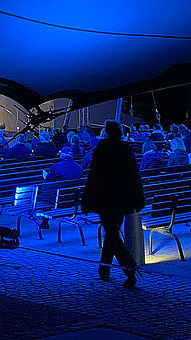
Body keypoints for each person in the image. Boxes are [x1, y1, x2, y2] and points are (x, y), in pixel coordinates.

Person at [81, 120, 146, 288]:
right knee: (112, 232)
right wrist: (138, 197)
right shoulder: (126, 150)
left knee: (112, 233)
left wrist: (87, 199)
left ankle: (130, 269)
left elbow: (93, 177)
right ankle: (104, 269)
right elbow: (134, 176)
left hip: (104, 199)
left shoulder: (101, 151)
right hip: (122, 199)